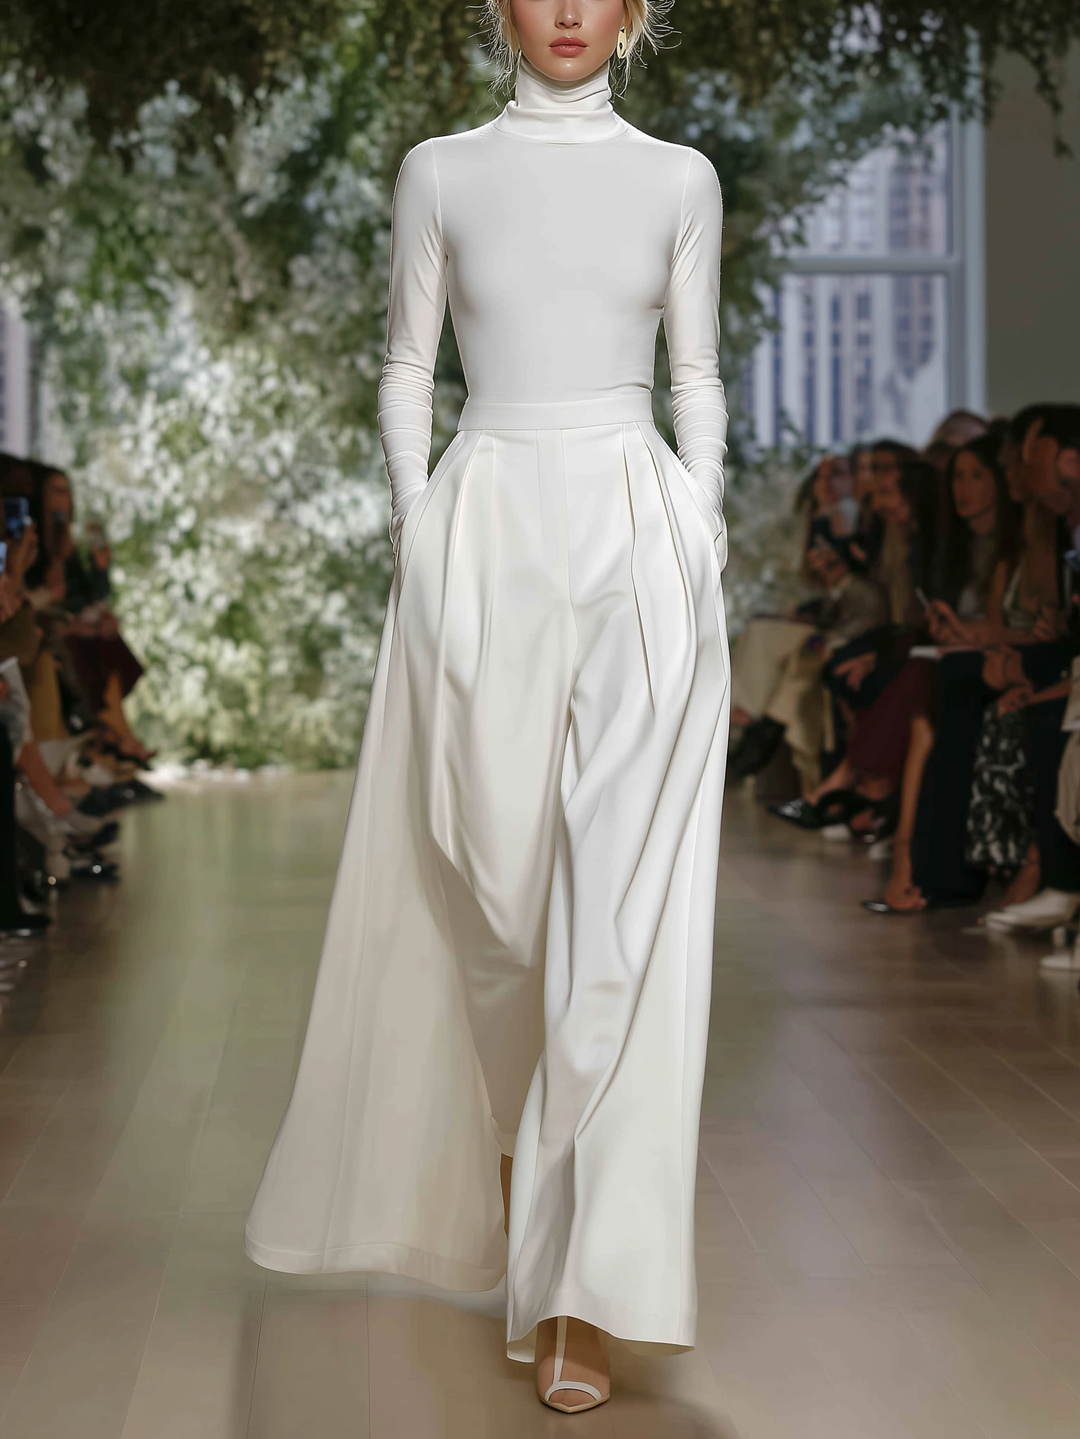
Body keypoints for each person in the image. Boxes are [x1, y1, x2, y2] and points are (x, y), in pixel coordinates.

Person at [245, 0, 729, 1416]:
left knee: (614, 933)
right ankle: (527, 1165)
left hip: (638, 543)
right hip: (484, 535)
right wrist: (418, 534)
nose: (567, 9)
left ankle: (582, 1291)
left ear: (634, 13)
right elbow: (409, 367)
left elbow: (696, 376)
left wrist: (698, 534)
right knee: (502, 916)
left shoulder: (678, 178)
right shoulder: (442, 171)